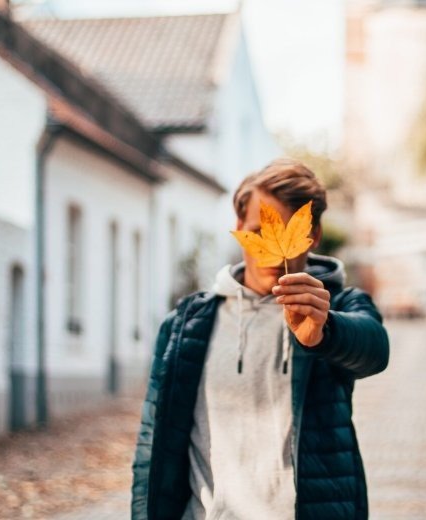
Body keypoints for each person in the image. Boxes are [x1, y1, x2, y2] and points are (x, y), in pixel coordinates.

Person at [131, 158, 390, 519]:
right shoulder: (185, 326)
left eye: (287, 234)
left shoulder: (338, 308)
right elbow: (152, 445)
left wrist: (324, 332)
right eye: (258, 231)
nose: (271, 248)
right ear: (239, 227)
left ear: (313, 236)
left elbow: (374, 349)